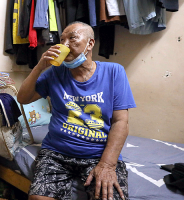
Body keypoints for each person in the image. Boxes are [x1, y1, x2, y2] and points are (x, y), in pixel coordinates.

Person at [17, 21, 136, 200]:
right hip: (56, 153)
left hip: (97, 154)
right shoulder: (54, 73)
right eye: (61, 40)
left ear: (90, 43)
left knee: (108, 197)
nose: (64, 45)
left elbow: (121, 122)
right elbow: (23, 98)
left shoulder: (114, 72)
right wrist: (41, 66)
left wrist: (107, 164)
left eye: (72, 38)